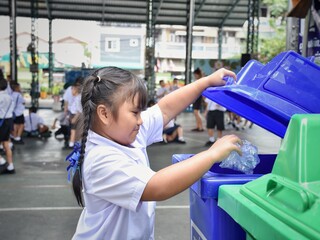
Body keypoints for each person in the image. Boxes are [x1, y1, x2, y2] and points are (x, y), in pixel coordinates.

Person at [66, 66, 241, 239]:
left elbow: (164, 109)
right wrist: (211, 155)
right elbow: (157, 186)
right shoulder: (101, 159)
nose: (141, 120)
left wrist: (205, 82)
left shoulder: (126, 132)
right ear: (104, 113)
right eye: (135, 112)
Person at [0, 78, 15, 174]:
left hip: (1, 120)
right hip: (8, 121)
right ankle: (10, 166)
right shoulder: (10, 97)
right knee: (6, 144)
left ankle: (2, 161)